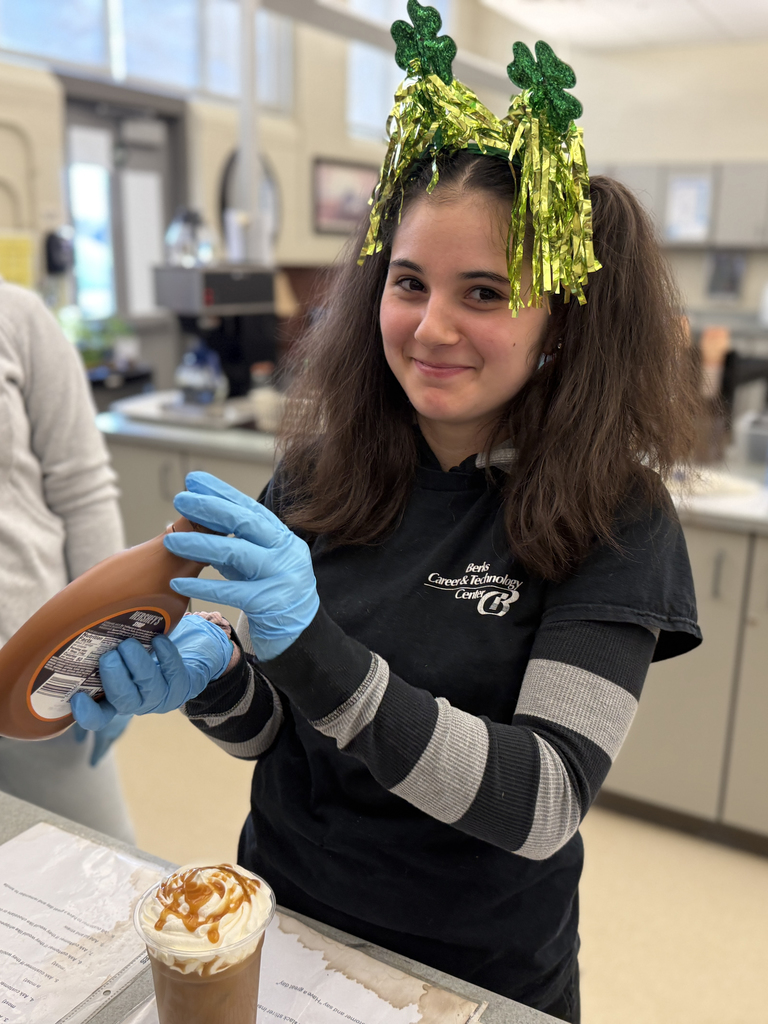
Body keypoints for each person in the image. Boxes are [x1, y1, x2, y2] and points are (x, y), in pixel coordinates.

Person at [71, 21, 702, 1022]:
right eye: (409, 282)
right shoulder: (325, 469)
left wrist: (313, 649)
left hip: (471, 975)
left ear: (560, 322)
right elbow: (277, 735)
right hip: (283, 928)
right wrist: (210, 678)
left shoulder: (615, 514)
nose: (431, 326)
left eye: (485, 293)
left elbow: (539, 803)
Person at [0, 278, 134, 843]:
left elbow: (82, 492)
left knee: (97, 888)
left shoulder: (17, 316)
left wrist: (108, 645)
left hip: (32, 670)